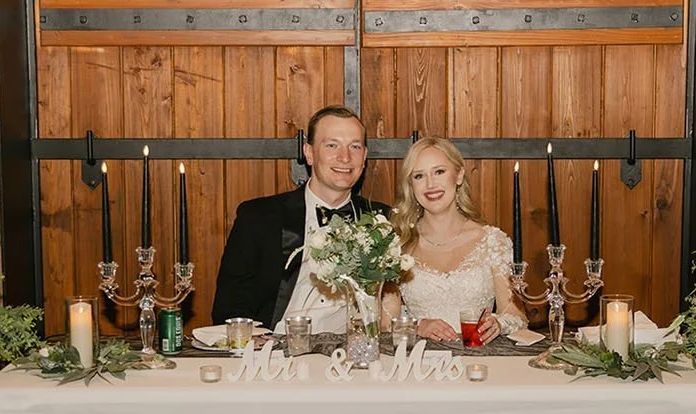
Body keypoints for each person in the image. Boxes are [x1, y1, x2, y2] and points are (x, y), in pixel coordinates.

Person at [213, 106, 388, 332]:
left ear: (364, 157)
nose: (345, 157)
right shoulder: (259, 217)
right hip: (278, 354)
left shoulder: (382, 220)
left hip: (354, 352)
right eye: (332, 145)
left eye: (354, 146)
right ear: (309, 153)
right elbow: (229, 307)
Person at [383, 137, 527, 344]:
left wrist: (498, 323)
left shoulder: (493, 242)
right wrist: (417, 326)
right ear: (411, 185)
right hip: (418, 364)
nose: (430, 184)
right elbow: (385, 325)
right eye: (419, 176)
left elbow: (517, 317)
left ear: (458, 175)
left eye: (439, 172)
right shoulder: (398, 245)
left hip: (479, 361)